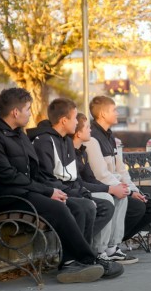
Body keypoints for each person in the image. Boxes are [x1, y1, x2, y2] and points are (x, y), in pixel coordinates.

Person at [0, 88, 110, 284]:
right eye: (28, 109)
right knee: (59, 208)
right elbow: (7, 176)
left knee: (81, 205)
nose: (30, 113)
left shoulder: (19, 134)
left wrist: (53, 189)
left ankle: (70, 262)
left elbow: (35, 171)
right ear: (16, 112)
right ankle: (87, 258)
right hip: (6, 196)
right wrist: (47, 191)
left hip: (26, 191)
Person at [26, 98, 123, 278]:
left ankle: (82, 257)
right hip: (52, 194)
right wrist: (78, 195)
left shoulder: (66, 141)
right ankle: (73, 261)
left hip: (69, 191)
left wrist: (83, 192)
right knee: (83, 206)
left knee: (104, 206)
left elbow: (75, 178)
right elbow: (45, 178)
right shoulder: (44, 141)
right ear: (64, 121)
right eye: (74, 119)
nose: (77, 122)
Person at [84, 96, 151, 260]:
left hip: (117, 186)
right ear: (103, 114)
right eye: (114, 110)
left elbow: (120, 169)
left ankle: (116, 241)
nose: (117, 113)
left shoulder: (110, 137)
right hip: (103, 188)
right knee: (137, 208)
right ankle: (109, 246)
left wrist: (133, 189)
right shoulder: (92, 138)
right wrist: (125, 191)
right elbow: (101, 174)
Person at [71, 113, 135, 265]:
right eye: (87, 127)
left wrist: (112, 187)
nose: (90, 130)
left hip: (85, 188)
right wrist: (109, 190)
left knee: (120, 195)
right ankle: (99, 250)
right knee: (108, 198)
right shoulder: (71, 152)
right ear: (78, 133)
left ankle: (112, 247)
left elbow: (90, 178)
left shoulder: (82, 151)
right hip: (76, 192)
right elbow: (78, 183)